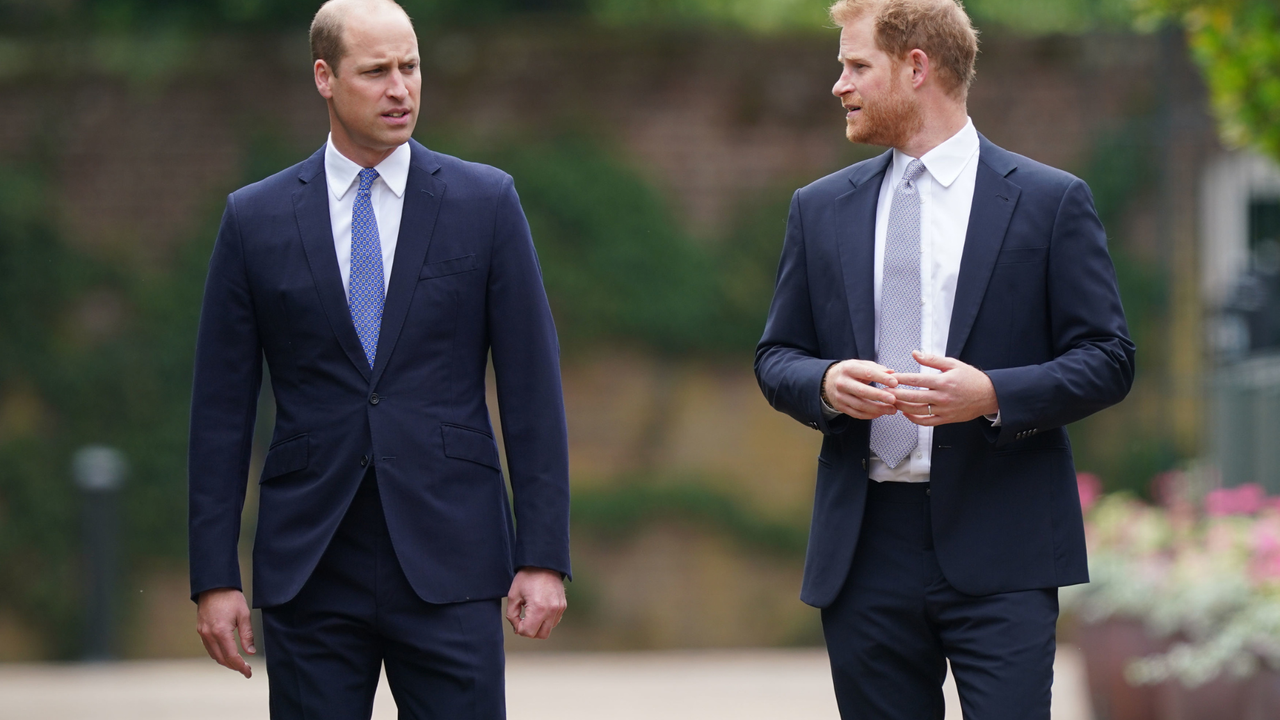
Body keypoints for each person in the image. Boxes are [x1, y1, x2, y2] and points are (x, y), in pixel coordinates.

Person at [187, 0, 570, 717]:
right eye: (377, 72)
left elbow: (532, 391)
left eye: (411, 67)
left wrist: (542, 556)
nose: (401, 88)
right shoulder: (255, 218)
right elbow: (219, 412)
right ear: (325, 78)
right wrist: (214, 577)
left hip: (452, 557)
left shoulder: (485, 203)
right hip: (310, 563)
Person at [754, 0, 1135, 717]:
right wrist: (828, 384)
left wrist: (991, 393)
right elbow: (777, 356)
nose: (840, 84)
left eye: (857, 65)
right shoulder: (819, 207)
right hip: (865, 547)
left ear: (917, 67)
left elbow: (1109, 358)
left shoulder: (1051, 203)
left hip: (1006, 543)